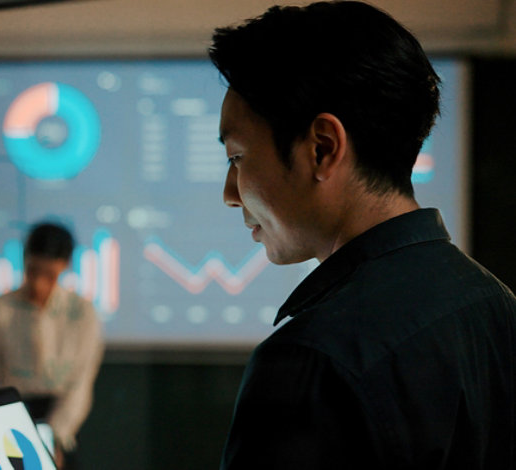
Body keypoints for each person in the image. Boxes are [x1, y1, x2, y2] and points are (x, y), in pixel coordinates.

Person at [209, 2, 516, 469]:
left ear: (322, 148)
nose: (231, 194)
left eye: (236, 158)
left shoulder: (312, 361)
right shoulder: (497, 306)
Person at [0, 222, 104, 469]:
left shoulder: (82, 313)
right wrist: (5, 428)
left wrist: (56, 436)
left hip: (59, 421)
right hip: (8, 417)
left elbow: (80, 382)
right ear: (24, 260)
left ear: (65, 266)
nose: (38, 284)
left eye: (49, 275)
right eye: (33, 271)